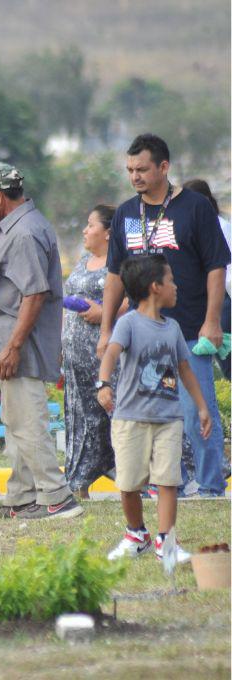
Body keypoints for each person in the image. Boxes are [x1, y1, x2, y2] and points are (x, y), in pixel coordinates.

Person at [98, 134, 230, 497]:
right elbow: (114, 276)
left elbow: (216, 266)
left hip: (188, 329)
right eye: (129, 170)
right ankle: (159, 483)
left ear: (164, 167)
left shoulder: (195, 208)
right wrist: (107, 329)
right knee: (145, 413)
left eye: (142, 169)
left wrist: (213, 320)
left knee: (195, 410)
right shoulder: (126, 212)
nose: (135, 176)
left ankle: (210, 486)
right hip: (139, 336)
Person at [0, 163, 83, 519]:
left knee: (28, 423)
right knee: (16, 422)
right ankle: (22, 497)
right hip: (10, 342)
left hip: (20, 345)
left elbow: (34, 295)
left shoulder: (24, 233)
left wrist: (13, 346)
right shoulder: (15, 227)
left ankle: (57, 497)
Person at [98, 255, 212, 562]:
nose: (176, 286)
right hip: (130, 419)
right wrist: (104, 384)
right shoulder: (129, 323)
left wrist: (202, 407)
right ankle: (137, 534)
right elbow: (111, 353)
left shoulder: (172, 328)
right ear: (155, 287)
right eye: (171, 280)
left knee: (167, 480)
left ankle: (166, 542)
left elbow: (185, 369)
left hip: (168, 419)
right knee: (128, 483)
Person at [63, 205, 124, 497]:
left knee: (114, 410)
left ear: (109, 232)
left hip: (108, 354)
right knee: (81, 417)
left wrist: (106, 314)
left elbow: (137, 299)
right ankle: (78, 483)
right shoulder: (84, 260)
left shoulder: (121, 261)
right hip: (76, 355)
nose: (85, 231)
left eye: (90, 225)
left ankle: (131, 478)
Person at [182, 178, 231, 380]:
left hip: (222, 299)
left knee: (227, 362)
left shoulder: (220, 226)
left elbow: (225, 271)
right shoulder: (194, 227)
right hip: (203, 300)